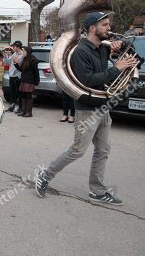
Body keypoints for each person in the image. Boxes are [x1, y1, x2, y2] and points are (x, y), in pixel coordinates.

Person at [35, 12, 138, 205]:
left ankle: (97, 191)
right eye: (105, 25)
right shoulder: (80, 51)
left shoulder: (102, 47)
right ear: (93, 28)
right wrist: (116, 69)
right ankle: (45, 175)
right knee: (77, 150)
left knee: (103, 150)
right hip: (87, 108)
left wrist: (123, 46)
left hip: (103, 106)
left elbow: (136, 57)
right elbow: (88, 80)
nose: (109, 28)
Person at [13, 46, 39, 117]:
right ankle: (24, 111)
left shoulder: (33, 60)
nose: (23, 53)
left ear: (28, 52)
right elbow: (22, 70)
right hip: (24, 79)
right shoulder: (25, 59)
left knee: (28, 96)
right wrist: (16, 64)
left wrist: (36, 81)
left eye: (24, 51)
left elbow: (36, 72)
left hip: (30, 81)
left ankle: (29, 112)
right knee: (23, 95)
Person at [3, 41, 23, 113]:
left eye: (14, 46)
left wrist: (16, 62)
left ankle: (20, 108)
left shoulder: (22, 55)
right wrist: (6, 57)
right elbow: (8, 62)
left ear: (18, 47)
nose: (12, 48)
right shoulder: (14, 54)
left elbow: (19, 65)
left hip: (17, 76)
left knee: (19, 92)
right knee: (12, 92)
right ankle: (12, 106)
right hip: (11, 75)